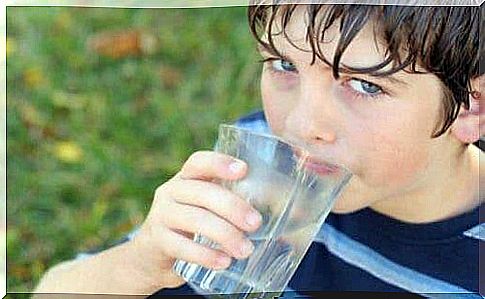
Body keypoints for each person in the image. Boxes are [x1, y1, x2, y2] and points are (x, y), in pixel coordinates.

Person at [33, 3, 484, 298]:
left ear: (471, 107)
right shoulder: (259, 168)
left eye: (365, 85)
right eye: (284, 64)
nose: (302, 125)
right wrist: (139, 263)